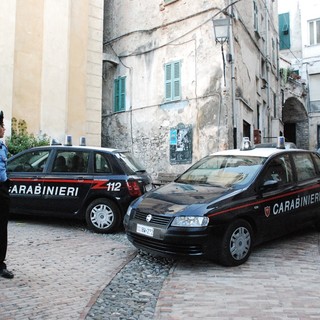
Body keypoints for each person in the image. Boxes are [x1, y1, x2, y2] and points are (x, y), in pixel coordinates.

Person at [0, 110, 14, 279]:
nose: (4, 129)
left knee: (2, 228)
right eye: (2, 126)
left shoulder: (3, 146)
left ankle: (0, 264)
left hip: (2, 188)